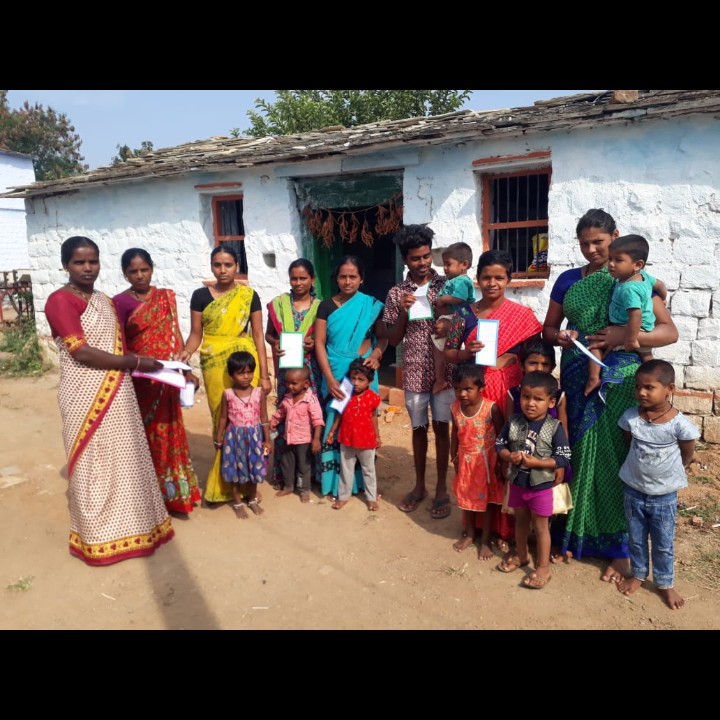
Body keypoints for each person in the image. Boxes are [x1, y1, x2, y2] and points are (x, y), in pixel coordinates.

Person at [542, 208, 679, 583]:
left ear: (614, 236)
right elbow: (548, 329)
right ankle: (570, 535)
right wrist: (561, 336)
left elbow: (669, 331)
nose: (591, 250)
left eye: (598, 242)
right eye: (584, 243)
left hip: (620, 377)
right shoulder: (568, 280)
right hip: (577, 371)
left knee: (615, 453)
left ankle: (619, 549)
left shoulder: (633, 278)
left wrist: (626, 337)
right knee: (576, 450)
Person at [44, 236, 174, 565]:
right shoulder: (60, 300)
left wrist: (149, 365)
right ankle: (98, 536)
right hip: (83, 392)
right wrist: (136, 362)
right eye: (79, 262)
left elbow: (118, 346)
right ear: (65, 265)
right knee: (93, 460)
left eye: (93, 261)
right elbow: (82, 352)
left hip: (119, 390)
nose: (87, 268)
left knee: (125, 456)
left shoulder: (103, 300)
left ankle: (137, 526)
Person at [443, 248, 543, 545]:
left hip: (508, 394)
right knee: (478, 458)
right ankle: (474, 524)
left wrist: (511, 360)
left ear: (509, 280)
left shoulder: (522, 316)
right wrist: (465, 353)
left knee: (507, 455)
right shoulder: (463, 315)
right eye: (486, 277)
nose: (492, 283)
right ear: (477, 279)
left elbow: (534, 355)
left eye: (499, 277)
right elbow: (449, 353)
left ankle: (507, 529)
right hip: (476, 395)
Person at [180, 244, 272, 504]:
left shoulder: (249, 295)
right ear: (211, 266)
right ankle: (225, 482)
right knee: (222, 418)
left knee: (249, 420)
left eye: (228, 265)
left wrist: (265, 376)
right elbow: (195, 334)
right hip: (214, 364)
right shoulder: (200, 296)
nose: (222, 270)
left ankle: (248, 481)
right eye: (217, 265)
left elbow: (257, 335)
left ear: (237, 266)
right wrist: (186, 352)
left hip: (244, 361)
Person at [112, 248, 202, 515]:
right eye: (133, 271)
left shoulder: (165, 298)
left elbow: (175, 335)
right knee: (141, 437)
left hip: (167, 379)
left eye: (144, 269)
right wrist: (136, 364)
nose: (140, 275)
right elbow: (120, 344)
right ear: (125, 274)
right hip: (139, 380)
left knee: (169, 433)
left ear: (152, 269)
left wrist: (185, 369)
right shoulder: (119, 303)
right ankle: (145, 496)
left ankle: (174, 495)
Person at [383, 224, 455, 519]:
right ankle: (420, 486)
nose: (423, 262)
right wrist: (403, 311)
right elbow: (393, 339)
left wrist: (447, 318)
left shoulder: (446, 286)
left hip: (444, 369)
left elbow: (463, 320)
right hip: (413, 368)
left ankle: (441, 489)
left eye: (426, 256)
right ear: (405, 260)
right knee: (418, 428)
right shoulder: (397, 293)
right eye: (416, 258)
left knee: (442, 426)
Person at [616, 359, 699, 609]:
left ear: (669, 389)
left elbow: (687, 452)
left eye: (649, 387)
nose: (641, 392)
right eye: (638, 387)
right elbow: (628, 441)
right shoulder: (631, 417)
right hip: (633, 491)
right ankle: (639, 575)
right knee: (636, 538)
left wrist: (677, 469)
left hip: (664, 496)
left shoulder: (679, 424)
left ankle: (665, 583)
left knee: (663, 543)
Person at [314, 255, 387, 499]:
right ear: (336, 279)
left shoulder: (371, 305)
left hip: (364, 371)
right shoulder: (326, 306)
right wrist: (330, 378)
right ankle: (334, 483)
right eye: (343, 276)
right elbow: (320, 342)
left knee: (363, 420)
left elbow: (383, 338)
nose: (347, 281)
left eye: (352, 276)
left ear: (361, 279)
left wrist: (376, 354)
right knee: (334, 421)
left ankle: (362, 482)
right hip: (335, 371)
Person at [495, 371, 572, 589]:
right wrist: (508, 456)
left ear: (551, 402)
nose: (530, 403)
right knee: (520, 522)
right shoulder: (513, 422)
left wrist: (538, 463)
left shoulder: (554, 427)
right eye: (526, 397)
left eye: (538, 399)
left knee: (541, 527)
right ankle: (521, 555)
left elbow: (564, 457)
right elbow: (499, 444)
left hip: (541, 487)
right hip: (518, 483)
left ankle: (543, 567)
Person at [506, 338, 572, 561]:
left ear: (553, 367)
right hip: (520, 463)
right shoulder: (514, 394)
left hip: (548, 462)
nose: (539, 368)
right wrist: (506, 459)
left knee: (547, 507)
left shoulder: (558, 396)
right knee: (521, 508)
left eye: (545, 364)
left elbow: (563, 429)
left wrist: (561, 463)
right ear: (522, 364)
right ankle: (523, 547)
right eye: (533, 363)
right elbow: (507, 428)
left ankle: (544, 544)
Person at [265, 259, 322, 488]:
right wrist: (275, 343)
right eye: (294, 278)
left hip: (310, 373)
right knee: (286, 416)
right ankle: (285, 476)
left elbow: (326, 337)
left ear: (312, 279)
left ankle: (310, 476)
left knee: (309, 417)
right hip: (287, 375)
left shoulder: (320, 307)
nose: (298, 283)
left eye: (303, 278)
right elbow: (269, 334)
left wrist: (314, 342)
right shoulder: (278, 305)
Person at [584, 234, 663, 396]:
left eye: (618, 260)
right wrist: (663, 297)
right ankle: (656, 384)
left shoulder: (628, 288)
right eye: (610, 259)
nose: (611, 264)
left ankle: (593, 378)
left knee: (595, 344)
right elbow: (660, 285)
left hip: (629, 327)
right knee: (647, 358)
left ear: (638, 264)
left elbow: (635, 314)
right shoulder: (644, 277)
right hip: (647, 327)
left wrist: (630, 338)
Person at [449, 363, 504, 558]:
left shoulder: (491, 408)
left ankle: (486, 539)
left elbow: (502, 436)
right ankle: (470, 533)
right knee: (467, 499)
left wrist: (501, 462)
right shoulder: (455, 409)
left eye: (467, 389)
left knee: (487, 502)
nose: (462, 394)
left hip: (488, 463)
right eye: (458, 389)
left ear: (481, 388)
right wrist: (454, 456)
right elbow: (455, 434)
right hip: (466, 462)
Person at [214, 351, 271, 519]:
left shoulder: (259, 393)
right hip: (234, 439)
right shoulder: (228, 394)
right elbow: (223, 418)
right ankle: (238, 502)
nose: (246, 377)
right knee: (235, 471)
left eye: (249, 372)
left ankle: (252, 499)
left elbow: (264, 417)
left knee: (255, 468)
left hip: (255, 438)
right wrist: (218, 438)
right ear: (231, 375)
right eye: (241, 373)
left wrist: (267, 439)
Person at [326, 358, 382, 511]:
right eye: (353, 378)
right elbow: (339, 415)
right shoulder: (344, 393)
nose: (356, 383)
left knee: (369, 470)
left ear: (369, 382)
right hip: (347, 439)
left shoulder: (373, 397)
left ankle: (371, 498)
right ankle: (343, 497)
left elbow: (374, 417)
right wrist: (332, 431)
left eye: (361, 380)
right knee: (346, 470)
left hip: (367, 441)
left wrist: (377, 436)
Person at [270, 366, 324, 503]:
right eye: (287, 383)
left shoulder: (310, 400)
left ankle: (304, 490)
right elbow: (281, 412)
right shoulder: (287, 398)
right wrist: (273, 422)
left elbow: (318, 420)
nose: (290, 386)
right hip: (288, 438)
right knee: (287, 463)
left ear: (306, 384)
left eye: (294, 383)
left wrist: (316, 439)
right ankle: (288, 486)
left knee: (303, 466)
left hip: (304, 441)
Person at [431, 242, 475, 394]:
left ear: (464, 265)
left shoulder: (462, 281)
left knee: (440, 350)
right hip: (453, 316)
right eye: (444, 264)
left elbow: (459, 298)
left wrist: (442, 299)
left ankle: (441, 380)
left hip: (458, 316)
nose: (444, 268)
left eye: (448, 264)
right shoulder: (454, 280)